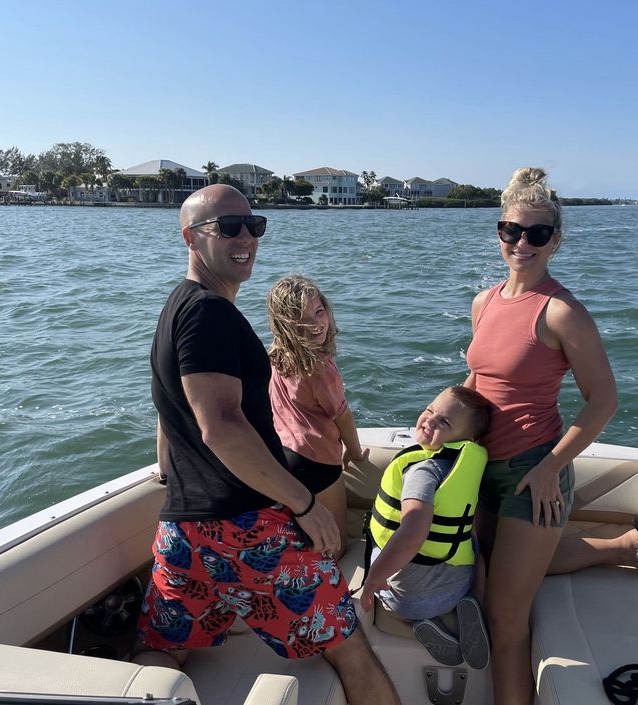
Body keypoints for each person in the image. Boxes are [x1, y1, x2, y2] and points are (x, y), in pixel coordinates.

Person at [138, 184, 400, 705]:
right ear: (191, 238)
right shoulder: (210, 313)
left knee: (162, 648)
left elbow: (172, 411)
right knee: (347, 645)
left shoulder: (176, 307)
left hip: (184, 533)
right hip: (247, 528)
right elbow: (223, 425)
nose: (246, 238)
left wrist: (166, 467)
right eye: (228, 227)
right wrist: (303, 504)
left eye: (253, 225)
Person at [465, 167, 619, 705]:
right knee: (492, 575)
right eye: (511, 230)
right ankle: (624, 547)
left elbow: (603, 400)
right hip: (477, 469)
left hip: (533, 472)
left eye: (535, 234)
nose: (520, 244)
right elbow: (478, 381)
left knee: (504, 619)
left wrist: (551, 466)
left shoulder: (561, 312)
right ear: (499, 233)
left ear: (555, 240)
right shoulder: (484, 302)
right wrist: (444, 422)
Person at [360, 385, 492, 670]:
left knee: (384, 550)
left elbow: (412, 533)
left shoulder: (422, 470)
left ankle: (420, 621)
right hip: (456, 588)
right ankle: (475, 603)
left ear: (467, 437)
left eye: (443, 422)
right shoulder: (466, 462)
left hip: (404, 601)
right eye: (431, 410)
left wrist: (373, 579)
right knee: (471, 539)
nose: (430, 421)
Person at [267, 275, 367, 558]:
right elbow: (342, 416)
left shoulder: (276, 355)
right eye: (302, 319)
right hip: (317, 462)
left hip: (284, 457)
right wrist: (356, 454)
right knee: (334, 545)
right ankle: (328, 597)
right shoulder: (321, 366)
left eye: (318, 312)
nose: (315, 324)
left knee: (303, 538)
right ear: (287, 324)